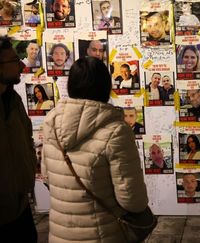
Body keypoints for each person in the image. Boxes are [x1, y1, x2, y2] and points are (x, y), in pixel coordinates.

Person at [42, 56, 150, 242]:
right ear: (106, 86)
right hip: (103, 233)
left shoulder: (51, 123)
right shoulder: (116, 130)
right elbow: (132, 199)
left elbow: (46, 177)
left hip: (60, 234)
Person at [0, 35, 38, 243]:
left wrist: (29, 168)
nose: (21, 66)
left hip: (20, 206)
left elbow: (27, 137)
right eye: (14, 61)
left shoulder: (14, 101)